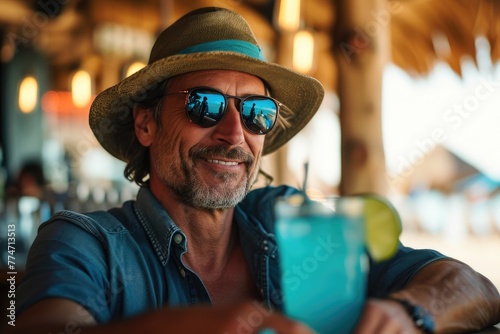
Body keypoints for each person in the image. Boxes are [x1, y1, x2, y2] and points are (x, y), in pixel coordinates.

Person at [12, 7, 500, 334]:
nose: (233, 132)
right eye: (204, 105)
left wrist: (410, 313)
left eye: (257, 113)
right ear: (146, 123)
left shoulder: (293, 221)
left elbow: (476, 288)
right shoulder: (83, 241)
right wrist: (211, 326)